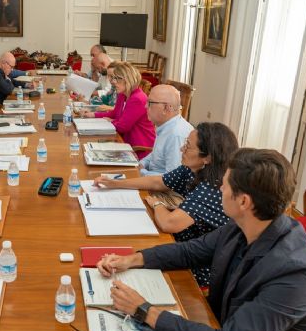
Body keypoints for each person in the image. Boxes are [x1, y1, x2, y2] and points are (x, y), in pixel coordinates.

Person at [97, 149, 306, 331]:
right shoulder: (245, 224)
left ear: (244, 201)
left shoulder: (295, 274)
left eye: (224, 185)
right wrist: (132, 259)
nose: (220, 190)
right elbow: (189, 251)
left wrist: (144, 310)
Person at [94, 122, 239, 287]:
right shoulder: (192, 169)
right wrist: (115, 183)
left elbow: (169, 224)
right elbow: (158, 182)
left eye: (188, 147)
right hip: (177, 246)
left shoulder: (212, 188)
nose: (181, 149)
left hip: (195, 266)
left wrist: (158, 205)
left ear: (207, 158)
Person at [80, 62, 155, 158]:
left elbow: (123, 127)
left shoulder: (137, 98)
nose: (113, 82)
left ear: (128, 80)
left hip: (138, 148)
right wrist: (93, 114)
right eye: (113, 78)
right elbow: (115, 113)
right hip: (123, 141)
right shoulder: (123, 94)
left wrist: (112, 121)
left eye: (117, 78)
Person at [139, 85, 194, 176]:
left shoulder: (176, 134)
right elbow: (156, 155)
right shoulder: (166, 125)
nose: (145, 106)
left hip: (161, 188)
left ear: (166, 108)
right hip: (153, 180)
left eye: (150, 103)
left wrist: (142, 172)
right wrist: (142, 164)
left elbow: (172, 179)